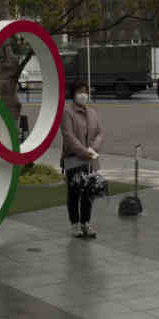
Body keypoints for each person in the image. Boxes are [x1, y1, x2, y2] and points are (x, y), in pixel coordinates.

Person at [61, 80, 103, 239]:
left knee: (89, 191)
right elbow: (68, 136)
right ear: (73, 94)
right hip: (73, 158)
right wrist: (84, 152)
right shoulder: (67, 112)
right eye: (79, 91)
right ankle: (75, 224)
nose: (83, 94)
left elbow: (99, 133)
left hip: (90, 158)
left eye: (85, 91)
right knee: (74, 192)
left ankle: (86, 223)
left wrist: (94, 149)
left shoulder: (92, 113)